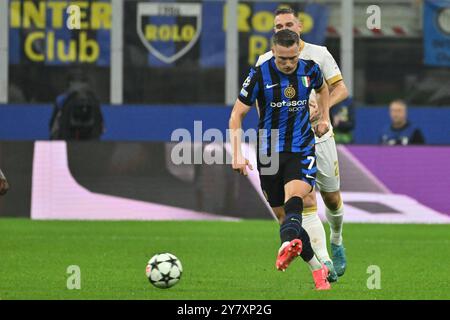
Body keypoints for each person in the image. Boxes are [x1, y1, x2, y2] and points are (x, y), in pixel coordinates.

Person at [229, 29, 331, 290]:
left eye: (292, 58)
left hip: (301, 148)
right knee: (285, 218)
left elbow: (323, 89)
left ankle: (286, 245)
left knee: (295, 199)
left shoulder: (310, 69)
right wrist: (238, 154)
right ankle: (316, 269)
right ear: (273, 52)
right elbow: (236, 116)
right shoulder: (259, 74)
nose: (288, 63)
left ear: (299, 51)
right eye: (283, 58)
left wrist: (325, 118)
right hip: (268, 153)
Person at [254, 7, 348, 282]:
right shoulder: (266, 61)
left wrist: (322, 110)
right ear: (274, 32)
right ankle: (324, 263)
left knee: (331, 197)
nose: (285, 27)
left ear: (299, 26)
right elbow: (260, 102)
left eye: (288, 23)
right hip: (287, 142)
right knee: (304, 201)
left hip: (320, 136)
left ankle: (337, 238)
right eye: (278, 25)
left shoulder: (318, 54)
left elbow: (339, 88)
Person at [50, 71, 104, 141]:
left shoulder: (61, 100)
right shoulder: (94, 99)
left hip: (68, 140)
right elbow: (102, 127)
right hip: (91, 142)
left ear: (69, 83)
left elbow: (52, 126)